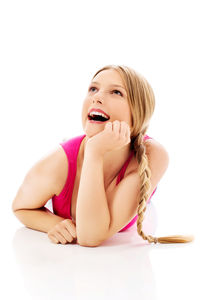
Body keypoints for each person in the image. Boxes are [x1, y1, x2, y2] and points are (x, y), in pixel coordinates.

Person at [12, 64, 194, 246]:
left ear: (137, 112)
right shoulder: (57, 163)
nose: (97, 97)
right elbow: (21, 207)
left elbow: (90, 237)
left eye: (116, 92)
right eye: (93, 88)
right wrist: (54, 223)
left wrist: (94, 153)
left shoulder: (154, 154)